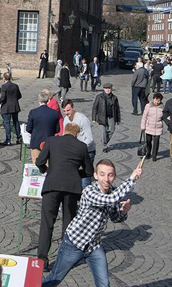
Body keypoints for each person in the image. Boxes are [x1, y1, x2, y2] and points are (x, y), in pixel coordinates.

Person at [42, 159, 142, 287]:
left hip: (94, 245)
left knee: (104, 284)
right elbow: (110, 199)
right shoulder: (89, 192)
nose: (106, 179)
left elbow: (115, 218)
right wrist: (132, 178)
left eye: (110, 175)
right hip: (74, 243)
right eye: (102, 174)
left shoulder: (113, 191)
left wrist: (122, 211)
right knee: (55, 278)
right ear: (95, 175)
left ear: (114, 176)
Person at [36, 123, 94, 271]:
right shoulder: (81, 147)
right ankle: (65, 258)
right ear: (77, 134)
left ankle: (42, 260)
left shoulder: (51, 141)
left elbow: (39, 161)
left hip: (52, 185)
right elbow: (89, 171)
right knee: (68, 224)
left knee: (47, 223)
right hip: (71, 188)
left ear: (64, 131)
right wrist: (75, 173)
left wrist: (47, 170)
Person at [62, 99, 96, 187]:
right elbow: (65, 135)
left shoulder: (82, 119)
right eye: (64, 111)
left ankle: (85, 194)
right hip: (74, 152)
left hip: (88, 151)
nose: (66, 113)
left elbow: (90, 139)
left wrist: (79, 147)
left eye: (68, 110)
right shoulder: (66, 119)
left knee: (85, 176)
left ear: (73, 108)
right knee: (73, 174)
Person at [26, 91, 59, 163]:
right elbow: (57, 129)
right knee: (48, 164)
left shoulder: (33, 112)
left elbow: (28, 128)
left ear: (39, 100)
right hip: (49, 142)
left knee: (35, 163)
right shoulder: (54, 113)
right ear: (48, 100)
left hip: (36, 141)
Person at [92, 83, 121, 153]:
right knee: (103, 132)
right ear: (103, 89)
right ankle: (104, 146)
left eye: (109, 88)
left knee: (112, 130)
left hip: (111, 116)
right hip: (101, 116)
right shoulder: (99, 97)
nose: (107, 90)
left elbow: (117, 109)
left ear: (111, 89)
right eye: (106, 88)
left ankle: (104, 140)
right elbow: (94, 108)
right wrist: (94, 118)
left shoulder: (114, 98)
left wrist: (118, 119)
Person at [0, 72, 22, 146]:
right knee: (16, 122)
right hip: (15, 106)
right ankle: (19, 137)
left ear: (4, 78)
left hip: (7, 107)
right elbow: (19, 96)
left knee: (7, 123)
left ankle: (8, 140)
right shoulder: (15, 86)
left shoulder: (4, 86)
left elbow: (3, 98)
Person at [140, 93, 164, 162]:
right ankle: (148, 152)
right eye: (156, 100)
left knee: (156, 142)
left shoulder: (162, 107)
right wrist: (143, 126)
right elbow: (144, 116)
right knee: (148, 141)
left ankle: (154, 155)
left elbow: (165, 116)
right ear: (153, 99)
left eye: (158, 100)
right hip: (149, 126)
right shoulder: (148, 106)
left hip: (158, 127)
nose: (157, 102)